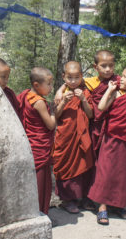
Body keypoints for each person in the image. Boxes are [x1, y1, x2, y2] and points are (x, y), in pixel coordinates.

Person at [88, 66, 126, 225]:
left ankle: (118, 205)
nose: (120, 79)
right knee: (106, 172)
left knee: (124, 175)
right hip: (111, 140)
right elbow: (101, 107)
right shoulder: (116, 93)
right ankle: (102, 207)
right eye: (121, 75)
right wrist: (109, 90)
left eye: (124, 76)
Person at [55, 50, 126, 156]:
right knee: (94, 155)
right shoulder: (90, 81)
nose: (108, 69)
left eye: (111, 66)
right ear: (95, 67)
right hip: (94, 124)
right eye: (103, 66)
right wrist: (59, 91)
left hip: (111, 124)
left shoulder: (117, 80)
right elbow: (71, 81)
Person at [52, 61, 95, 214]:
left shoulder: (86, 92)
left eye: (76, 77)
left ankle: (82, 197)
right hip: (65, 136)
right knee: (65, 165)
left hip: (81, 136)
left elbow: (90, 115)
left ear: (81, 76)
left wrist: (83, 99)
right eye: (69, 77)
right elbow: (55, 116)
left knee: (83, 165)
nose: (73, 81)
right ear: (63, 77)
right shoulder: (61, 94)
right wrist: (64, 101)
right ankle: (67, 200)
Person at [17, 67, 56, 214]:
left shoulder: (26, 95)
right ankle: (39, 213)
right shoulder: (39, 102)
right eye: (49, 84)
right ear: (37, 85)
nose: (51, 88)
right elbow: (51, 125)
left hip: (30, 143)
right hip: (39, 146)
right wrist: (53, 111)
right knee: (41, 183)